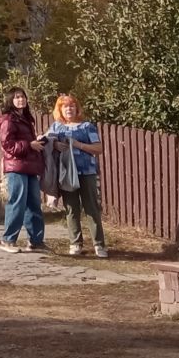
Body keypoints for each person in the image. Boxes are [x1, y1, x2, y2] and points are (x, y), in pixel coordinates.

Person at [46, 94, 107, 258]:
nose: (69, 109)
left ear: (77, 108)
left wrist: (78, 144)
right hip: (66, 173)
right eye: (65, 106)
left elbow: (98, 148)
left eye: (72, 106)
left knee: (92, 208)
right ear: (60, 110)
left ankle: (99, 245)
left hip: (87, 172)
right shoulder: (56, 127)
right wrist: (55, 144)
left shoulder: (87, 127)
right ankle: (75, 244)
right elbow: (45, 142)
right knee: (71, 209)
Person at [0, 87, 47, 253]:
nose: (21, 100)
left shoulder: (25, 118)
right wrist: (29, 145)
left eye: (23, 97)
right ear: (10, 100)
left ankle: (36, 241)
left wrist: (36, 141)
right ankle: (8, 240)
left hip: (30, 165)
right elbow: (8, 145)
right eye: (17, 97)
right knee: (17, 202)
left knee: (34, 204)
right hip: (16, 167)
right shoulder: (8, 119)